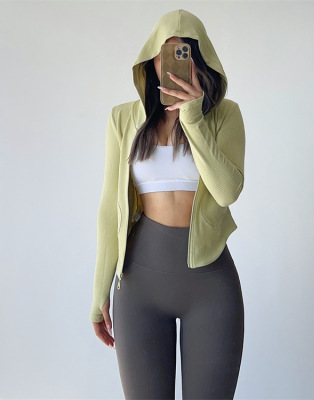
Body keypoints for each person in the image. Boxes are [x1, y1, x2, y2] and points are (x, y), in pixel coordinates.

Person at [90, 8, 246, 400]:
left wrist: (192, 118)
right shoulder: (123, 119)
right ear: (152, 60)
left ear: (200, 61)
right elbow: (110, 207)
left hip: (211, 288)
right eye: (166, 53)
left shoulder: (225, 115)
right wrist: (98, 293)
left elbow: (227, 192)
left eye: (185, 53)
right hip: (138, 287)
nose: (174, 63)